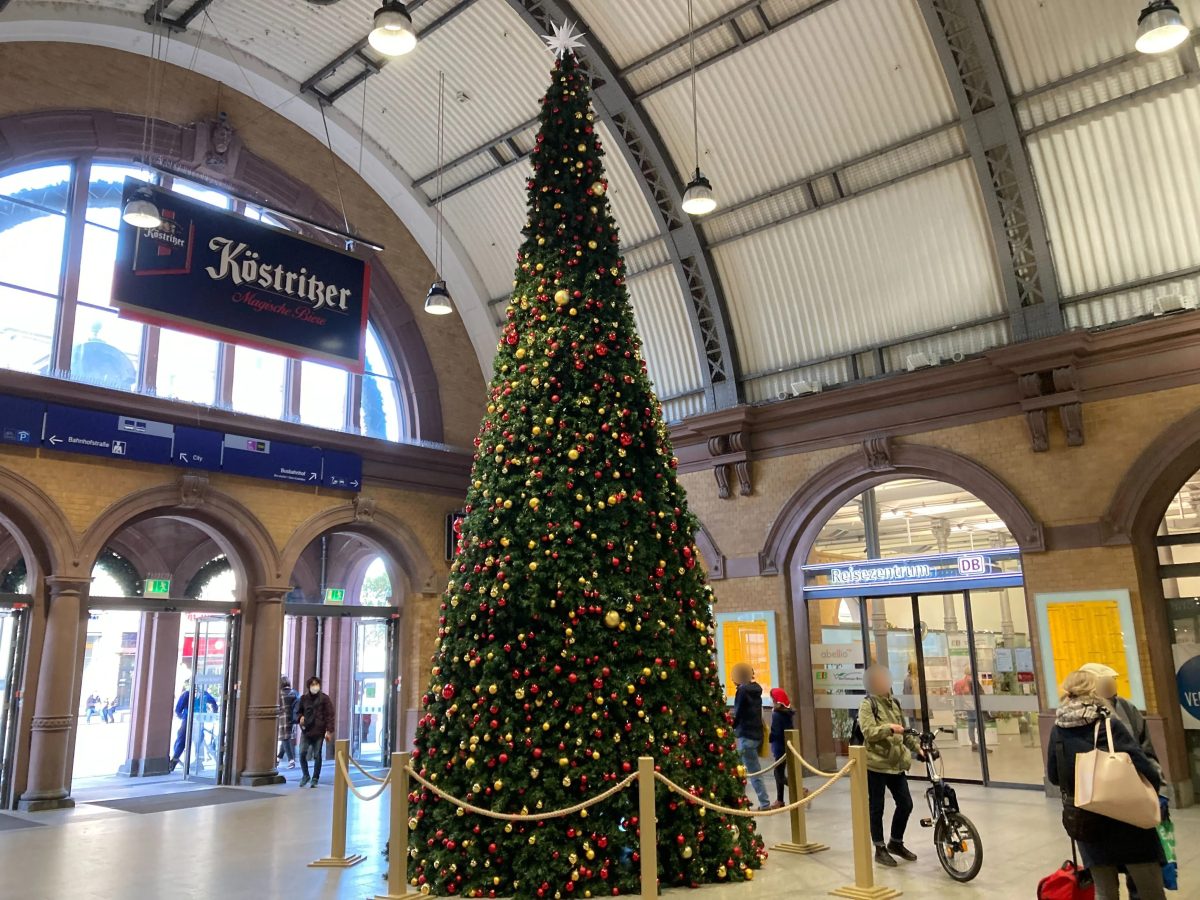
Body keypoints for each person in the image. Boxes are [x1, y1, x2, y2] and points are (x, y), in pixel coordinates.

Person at [1047, 669, 1165, 900]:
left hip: (1087, 820)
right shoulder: (1109, 725)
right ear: (1094, 692)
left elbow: (1054, 775)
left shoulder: (1058, 730)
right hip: (1128, 817)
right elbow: (1144, 767)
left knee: (1105, 891)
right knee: (1148, 888)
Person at [1079, 662, 1163, 900]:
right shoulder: (1100, 721)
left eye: (1113, 679)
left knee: (1113, 888)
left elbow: (1147, 753)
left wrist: (1156, 788)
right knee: (1141, 883)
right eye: (1105, 680)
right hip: (1121, 809)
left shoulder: (1126, 709)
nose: (1111, 684)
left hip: (1099, 813)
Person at [859, 663, 922, 867]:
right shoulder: (868, 705)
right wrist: (889, 728)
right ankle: (879, 848)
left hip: (896, 763)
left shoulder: (893, 702)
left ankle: (895, 842)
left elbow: (903, 730)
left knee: (906, 804)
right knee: (877, 807)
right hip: (876, 764)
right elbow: (868, 732)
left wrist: (917, 748)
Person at [729, 662, 770, 811]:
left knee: (752, 771)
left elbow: (738, 713)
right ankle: (740, 799)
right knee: (742, 769)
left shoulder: (742, 691)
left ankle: (764, 803)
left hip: (745, 735)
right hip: (755, 735)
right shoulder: (755, 689)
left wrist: (730, 725)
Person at [168, 682, 218, 773]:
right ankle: (195, 760)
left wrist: (184, 716)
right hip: (197, 720)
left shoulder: (188, 694)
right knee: (197, 740)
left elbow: (178, 710)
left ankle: (175, 759)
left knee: (183, 740)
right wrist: (213, 713)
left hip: (189, 720)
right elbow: (213, 703)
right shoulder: (203, 694)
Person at [296, 676, 334, 788]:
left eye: (316, 684)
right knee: (302, 753)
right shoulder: (303, 699)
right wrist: (300, 718)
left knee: (317, 755)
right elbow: (298, 712)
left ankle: (315, 778)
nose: (315, 686)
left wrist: (329, 731)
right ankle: (305, 775)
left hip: (319, 731)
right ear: (309, 686)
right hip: (306, 731)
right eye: (312, 684)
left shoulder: (325, 699)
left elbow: (329, 715)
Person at [767, 687, 795, 810]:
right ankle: (780, 800)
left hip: (779, 747)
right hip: (786, 746)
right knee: (779, 773)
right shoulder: (787, 713)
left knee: (778, 774)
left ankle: (801, 789)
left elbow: (777, 733)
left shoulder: (777, 714)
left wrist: (770, 736)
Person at [953, 666, 990, 752]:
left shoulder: (960, 682)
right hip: (974, 706)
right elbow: (980, 693)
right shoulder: (972, 681)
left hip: (967, 707)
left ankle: (973, 743)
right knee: (981, 726)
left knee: (971, 725)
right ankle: (981, 745)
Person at [277, 676, 298, 769]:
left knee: (285, 738)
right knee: (286, 738)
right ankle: (278, 757)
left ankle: (291, 760)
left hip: (283, 718)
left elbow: (278, 707)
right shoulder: (294, 692)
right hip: (292, 718)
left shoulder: (280, 694)